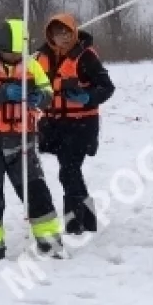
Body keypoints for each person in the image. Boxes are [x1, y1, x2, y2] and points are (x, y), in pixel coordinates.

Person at [0, 18, 66, 261]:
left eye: (19, 54)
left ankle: (50, 243)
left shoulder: (31, 64)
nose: (15, 59)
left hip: (21, 141)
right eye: (10, 54)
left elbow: (47, 90)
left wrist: (42, 98)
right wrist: (2, 93)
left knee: (37, 192)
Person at [34, 13, 116, 234]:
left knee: (69, 171)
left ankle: (74, 224)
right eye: (58, 33)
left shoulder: (86, 56)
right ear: (50, 35)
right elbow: (32, 85)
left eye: (67, 32)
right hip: (54, 125)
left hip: (81, 124)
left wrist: (87, 97)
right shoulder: (40, 58)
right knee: (71, 171)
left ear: (74, 32)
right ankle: (87, 220)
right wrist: (35, 96)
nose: (64, 37)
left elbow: (107, 87)